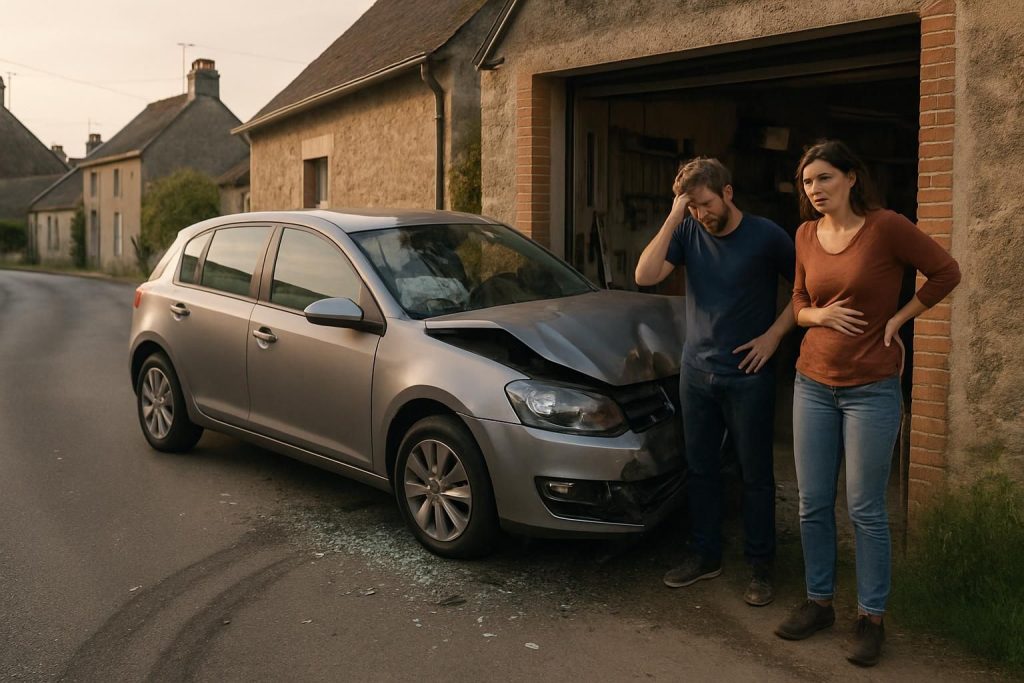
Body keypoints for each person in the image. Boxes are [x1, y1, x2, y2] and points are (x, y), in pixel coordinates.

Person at [773, 140, 960, 667]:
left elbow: (946, 272)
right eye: (808, 182)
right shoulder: (806, 234)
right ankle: (819, 603)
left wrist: (899, 321)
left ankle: (871, 618)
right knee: (812, 502)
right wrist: (818, 319)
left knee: (865, 508)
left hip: (871, 388)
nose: (815, 190)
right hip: (812, 382)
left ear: (853, 177)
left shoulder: (886, 227)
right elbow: (799, 301)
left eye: (825, 178)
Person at [635, 157, 796, 607]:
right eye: (692, 207)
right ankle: (706, 556)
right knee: (700, 469)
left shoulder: (767, 236)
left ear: (727, 193)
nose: (700, 214)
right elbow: (644, 275)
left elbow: (807, 288)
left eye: (705, 203)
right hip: (696, 372)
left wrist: (774, 335)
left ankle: (761, 567)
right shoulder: (686, 231)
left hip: (749, 376)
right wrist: (674, 215)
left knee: (755, 474)